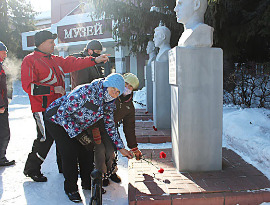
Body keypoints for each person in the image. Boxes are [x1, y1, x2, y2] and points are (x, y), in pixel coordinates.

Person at [21, 30, 110, 182]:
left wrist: (95, 60)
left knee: (63, 138)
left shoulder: (54, 59)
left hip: (60, 109)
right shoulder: (30, 60)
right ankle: (32, 169)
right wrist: (52, 89)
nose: (53, 44)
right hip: (42, 109)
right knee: (45, 139)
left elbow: (73, 63)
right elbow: (28, 86)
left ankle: (63, 167)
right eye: (51, 42)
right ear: (42, 43)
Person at [44, 73, 133, 202]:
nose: (114, 93)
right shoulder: (85, 92)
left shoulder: (109, 102)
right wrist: (78, 135)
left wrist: (120, 148)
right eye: (113, 89)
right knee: (70, 151)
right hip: (56, 119)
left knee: (87, 148)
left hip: (78, 123)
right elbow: (63, 114)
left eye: (118, 92)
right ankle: (71, 188)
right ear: (106, 85)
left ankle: (87, 183)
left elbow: (110, 126)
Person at [100, 73, 143, 187]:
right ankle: (102, 174)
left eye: (130, 87)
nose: (127, 88)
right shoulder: (112, 94)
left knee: (111, 151)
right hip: (98, 126)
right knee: (100, 151)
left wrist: (134, 147)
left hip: (111, 129)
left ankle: (112, 171)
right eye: (126, 84)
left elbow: (129, 128)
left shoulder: (129, 106)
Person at [0, 41, 15, 167]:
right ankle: (1, 158)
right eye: (3, 52)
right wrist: (1, 105)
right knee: (4, 133)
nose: (5, 54)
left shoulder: (2, 65)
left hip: (3, 104)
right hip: (0, 107)